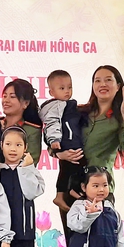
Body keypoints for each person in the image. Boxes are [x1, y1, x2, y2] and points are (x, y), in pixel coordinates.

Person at [56, 65, 124, 241]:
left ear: (118, 86)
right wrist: (57, 153)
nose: (102, 84)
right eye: (97, 80)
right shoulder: (79, 112)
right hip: (71, 188)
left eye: (108, 80)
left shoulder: (122, 116)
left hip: (99, 190)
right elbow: (57, 137)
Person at [0, 127, 45, 247]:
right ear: (1, 145)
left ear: (26, 147)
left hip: (25, 233)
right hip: (0, 236)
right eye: (8, 144)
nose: (13, 149)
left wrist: (26, 168)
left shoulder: (30, 170)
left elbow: (32, 192)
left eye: (18, 145)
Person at [39, 70, 85, 212]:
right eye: (62, 88)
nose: (67, 91)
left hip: (73, 143)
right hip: (67, 144)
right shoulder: (57, 106)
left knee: (71, 168)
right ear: (51, 92)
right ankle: (63, 194)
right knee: (70, 167)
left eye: (69, 87)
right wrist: (54, 142)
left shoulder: (68, 105)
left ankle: (69, 191)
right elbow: (52, 123)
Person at [67, 166, 124, 247]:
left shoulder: (112, 211)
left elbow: (119, 236)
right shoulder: (79, 206)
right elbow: (77, 226)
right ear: (84, 187)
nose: (101, 190)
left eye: (105, 185)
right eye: (95, 186)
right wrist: (89, 214)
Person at [0, 79, 42, 165]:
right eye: (4, 96)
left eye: (12, 97)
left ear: (26, 103)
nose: (6, 100)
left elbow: (29, 163)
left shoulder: (32, 130)